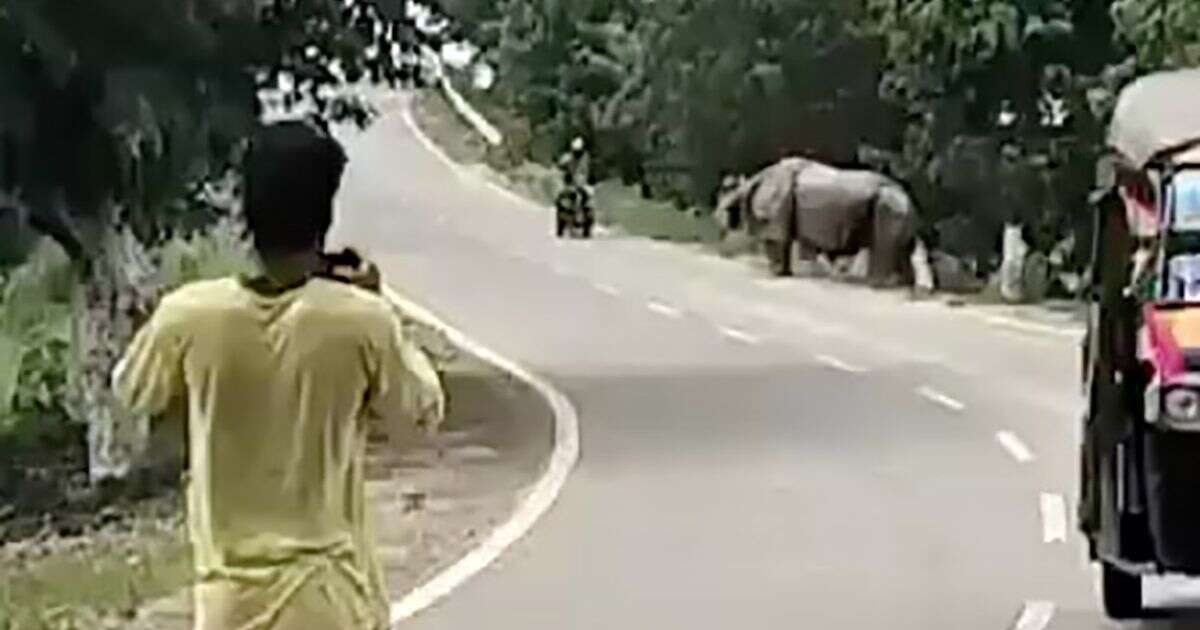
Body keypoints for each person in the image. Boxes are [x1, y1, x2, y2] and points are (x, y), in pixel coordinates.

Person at [112, 121, 445, 630]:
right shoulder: (359, 318)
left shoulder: (189, 315)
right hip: (330, 596)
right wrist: (377, 301)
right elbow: (422, 413)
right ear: (326, 213)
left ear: (246, 211)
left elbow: (133, 391)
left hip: (227, 601)